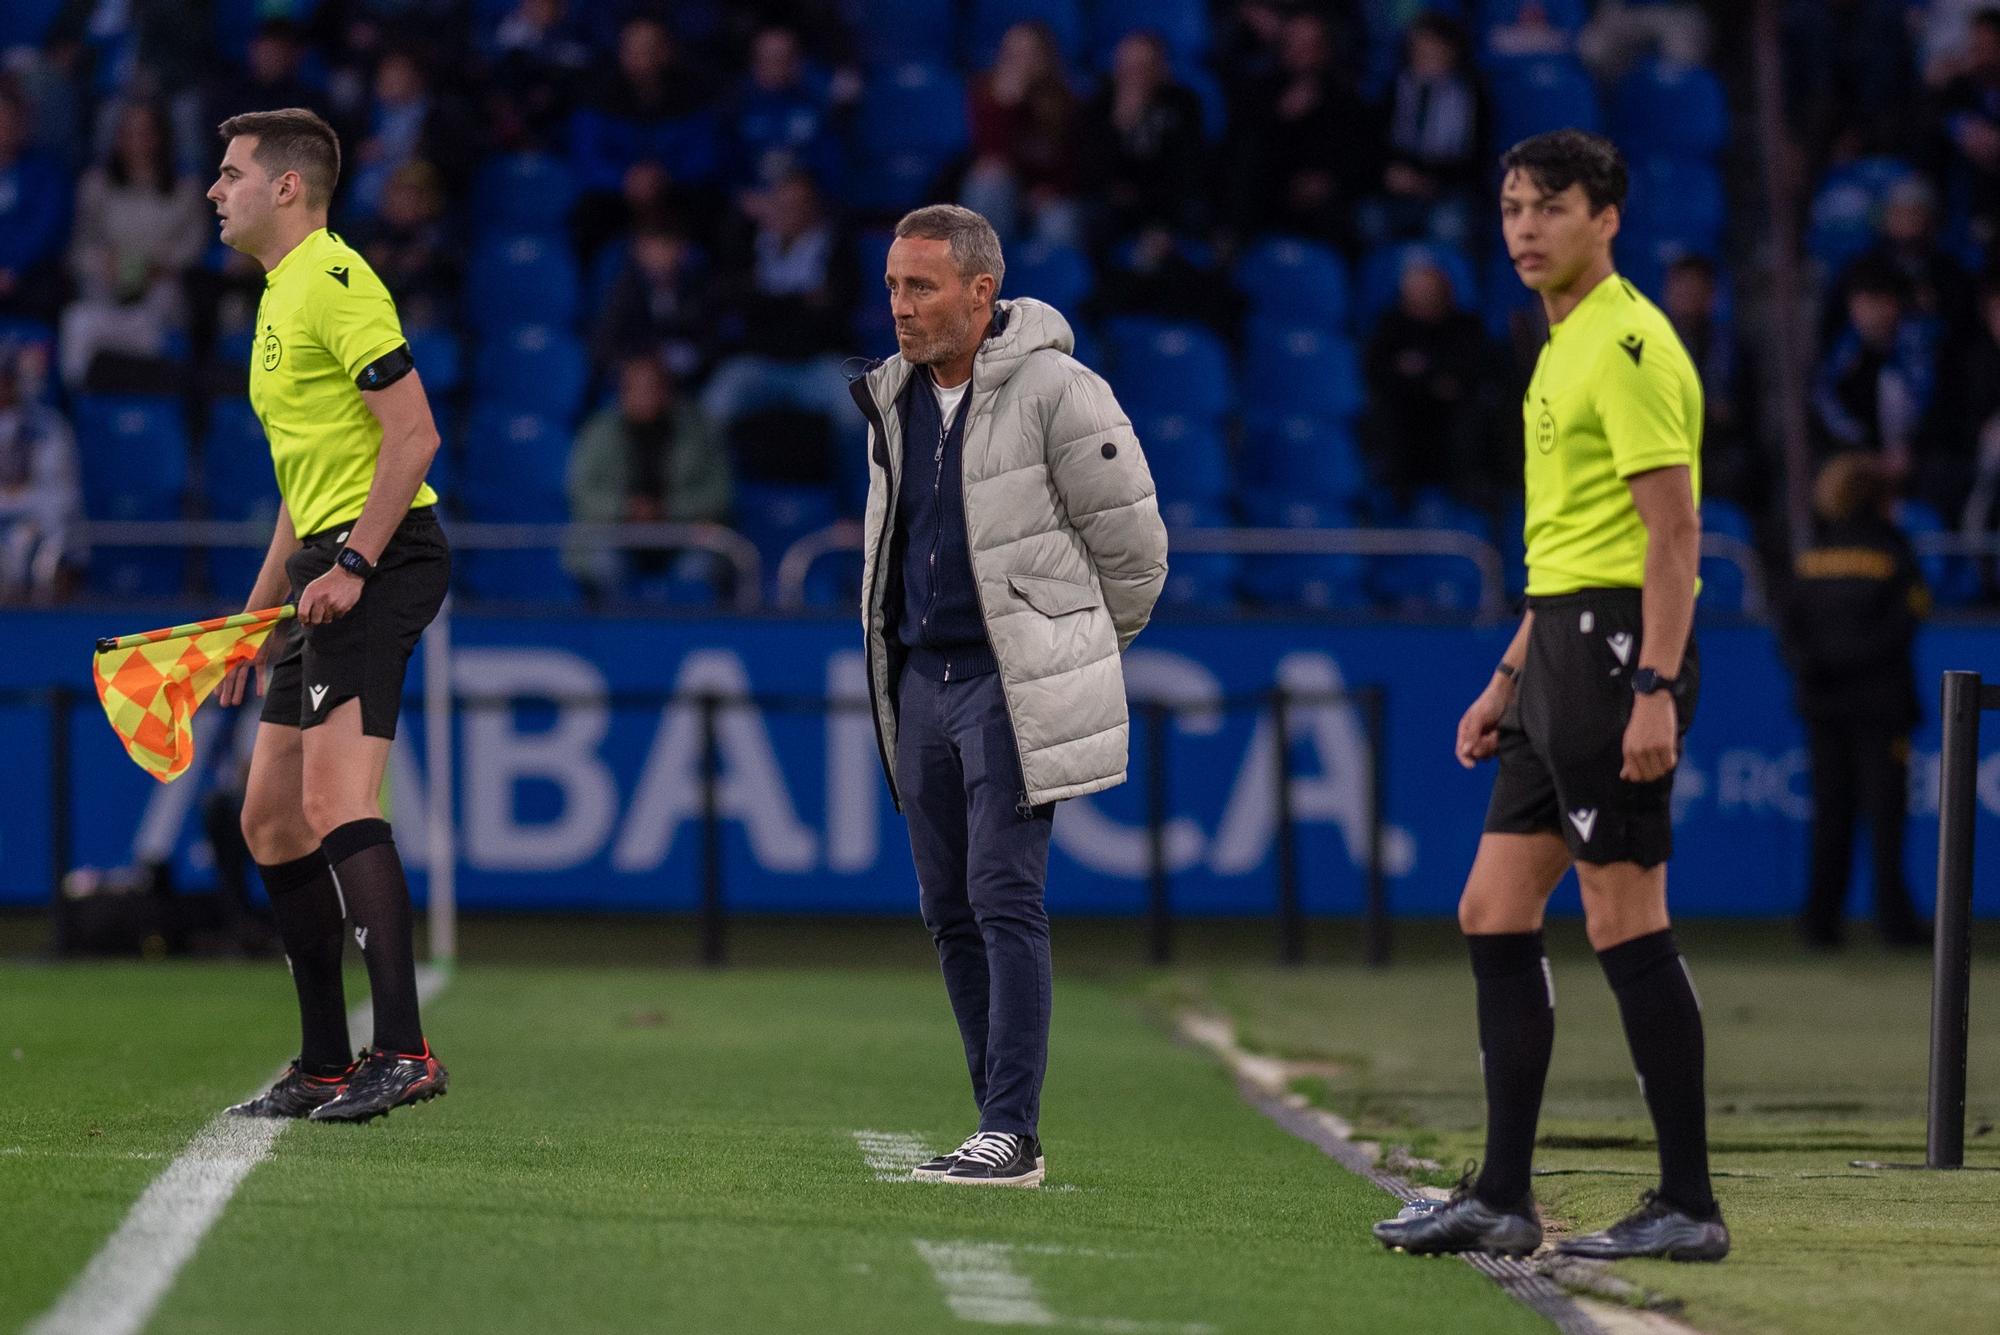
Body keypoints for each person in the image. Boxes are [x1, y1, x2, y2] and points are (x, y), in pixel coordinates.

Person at [1373, 130, 1729, 1262]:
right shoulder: (1560, 342)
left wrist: (1655, 686)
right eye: (1512, 209)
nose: (1524, 229)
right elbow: (1571, 544)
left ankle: (1688, 1205)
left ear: (1604, 218)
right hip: (1560, 647)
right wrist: (1507, 677)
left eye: (1550, 208)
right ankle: (1501, 1197)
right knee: (1491, 908)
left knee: (1625, 917)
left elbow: (1671, 535)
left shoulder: (1626, 343)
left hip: (1617, 651)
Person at [854, 205, 1167, 1186]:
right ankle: (996, 1123)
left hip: (1003, 682)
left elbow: (1136, 554)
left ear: (981, 291)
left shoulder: (1059, 391)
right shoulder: (891, 395)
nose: (900, 306)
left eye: (921, 286)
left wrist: (1060, 655)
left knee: (1002, 894)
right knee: (948, 908)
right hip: (922, 677)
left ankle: (1011, 1129)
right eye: (893, 285)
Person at [207, 108, 451, 1123]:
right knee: (269, 818)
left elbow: (415, 435)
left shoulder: (335, 279)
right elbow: (300, 491)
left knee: (339, 799)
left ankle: (404, 1051)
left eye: (230, 174)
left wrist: (356, 561)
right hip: (325, 562)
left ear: (287, 187)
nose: (215, 191)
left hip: (379, 558)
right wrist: (253, 618)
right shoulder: (279, 294)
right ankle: (322, 1063)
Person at [1780, 454, 1929, 948]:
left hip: (1824, 704)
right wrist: (1857, 664)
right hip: (1881, 706)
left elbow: (1789, 632)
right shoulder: (1894, 553)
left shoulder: (1812, 556)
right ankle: (1895, 924)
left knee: (1831, 813)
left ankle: (1820, 923)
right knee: (1886, 816)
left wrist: (1821, 667)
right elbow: (1906, 622)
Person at [59, 99, 208, 390]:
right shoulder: (96, 185)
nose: (137, 142)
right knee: (76, 321)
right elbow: (79, 249)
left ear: (161, 138)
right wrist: (106, 263)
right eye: (129, 133)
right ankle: (80, 401)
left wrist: (157, 266)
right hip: (108, 294)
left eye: (145, 133)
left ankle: (160, 396)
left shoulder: (186, 190)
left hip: (160, 303)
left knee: (168, 295)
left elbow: (194, 250)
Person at [565, 355, 732, 597]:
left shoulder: (699, 430)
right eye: (638, 387)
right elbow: (582, 492)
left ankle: (687, 622)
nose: (647, 394)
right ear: (623, 392)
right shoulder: (598, 431)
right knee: (604, 562)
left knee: (699, 565)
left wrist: (666, 509)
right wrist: (627, 508)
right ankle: (615, 622)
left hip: (683, 532)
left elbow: (720, 492)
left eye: (654, 386)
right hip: (617, 532)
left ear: (668, 390)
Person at [0, 339, 80, 600]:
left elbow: (58, 478)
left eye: (5, 381)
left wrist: (20, 489)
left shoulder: (46, 423)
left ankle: (43, 578)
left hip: (34, 498)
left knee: (53, 509)